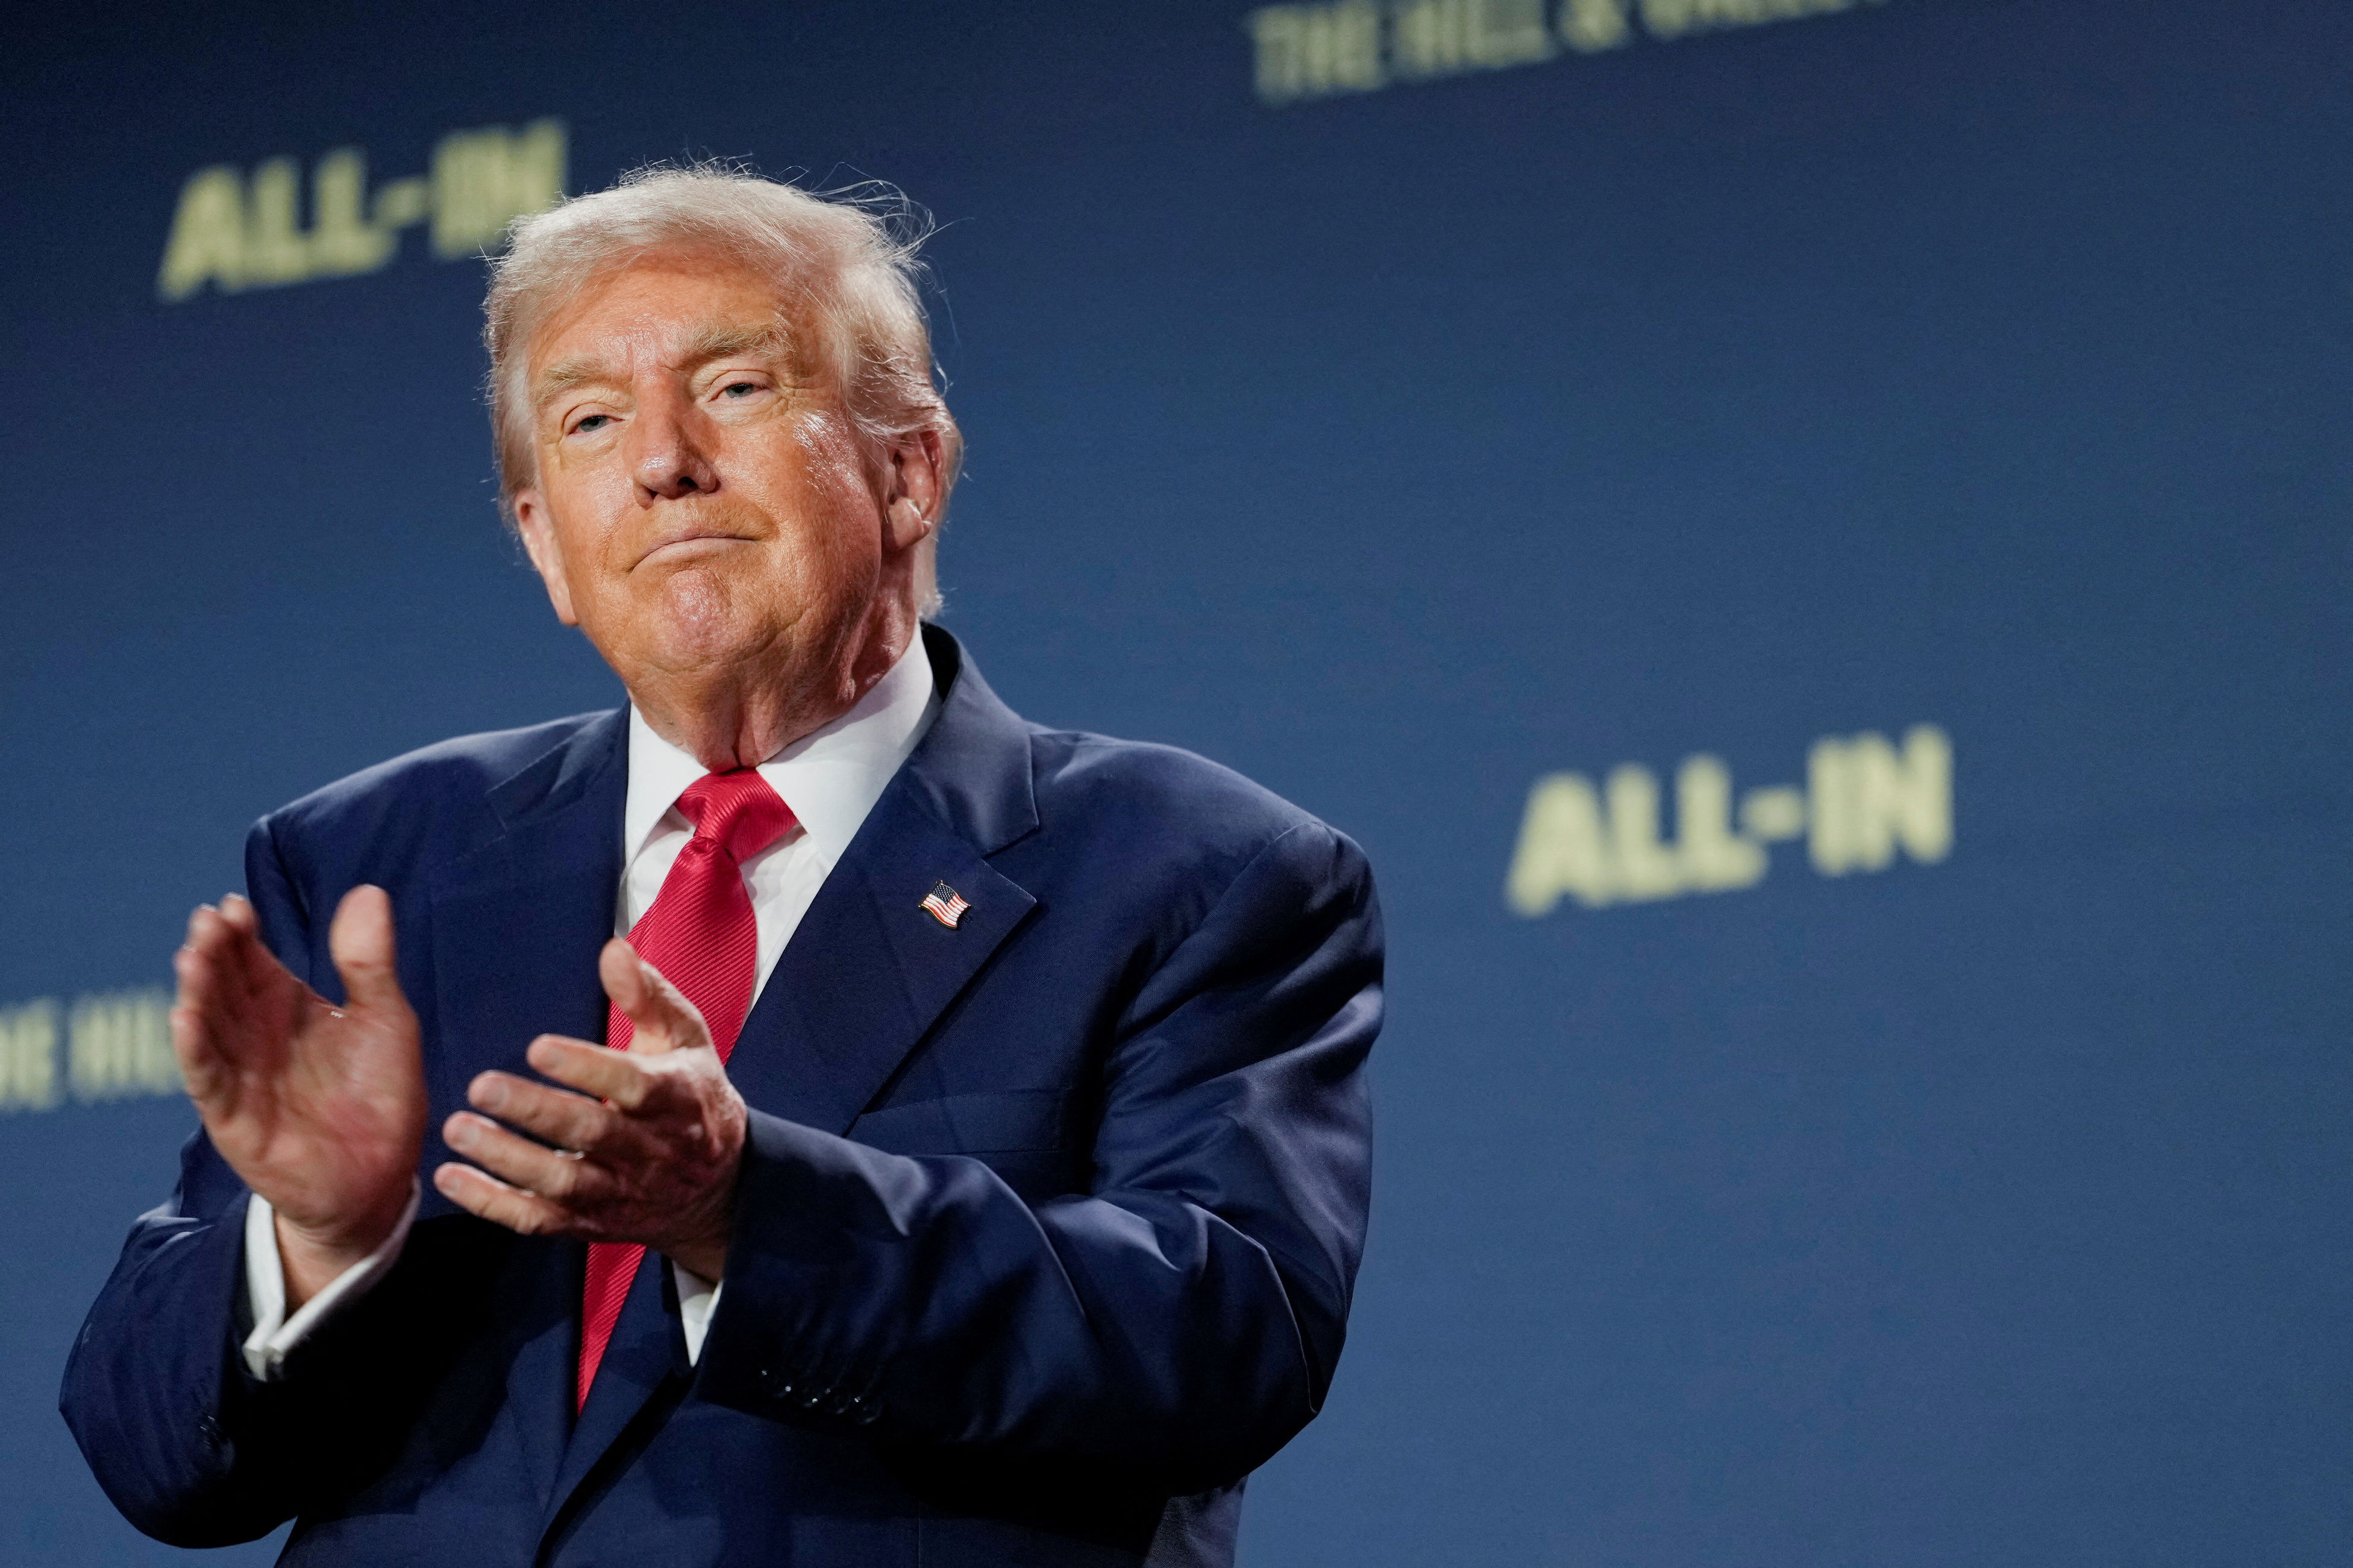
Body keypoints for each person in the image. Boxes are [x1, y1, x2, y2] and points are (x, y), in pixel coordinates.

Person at [58, 167, 1381, 1568]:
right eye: (588, 421)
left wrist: (745, 1208)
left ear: (908, 471)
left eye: (737, 389)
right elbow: (154, 1463)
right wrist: (316, 1241)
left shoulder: (1198, 873)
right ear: (543, 547)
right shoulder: (375, 864)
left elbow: (1225, 1338)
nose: (660, 461)